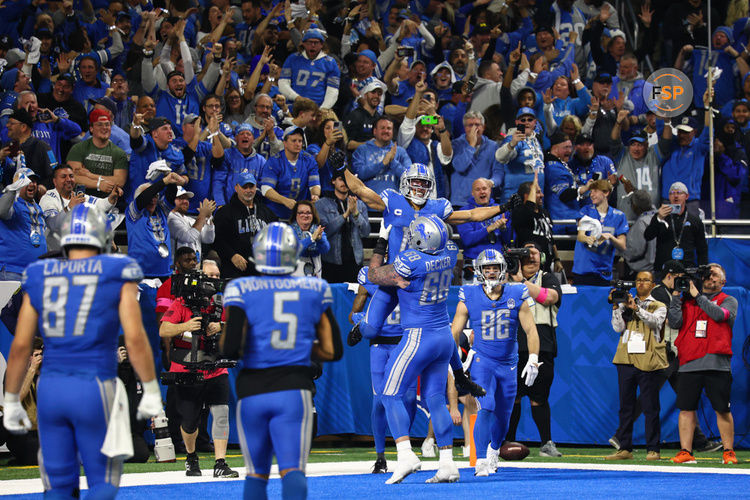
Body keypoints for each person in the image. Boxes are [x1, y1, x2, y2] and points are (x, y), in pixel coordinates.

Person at [2, 204, 163, 498]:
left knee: (59, 486)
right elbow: (136, 338)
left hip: (51, 390)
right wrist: (151, 389)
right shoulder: (116, 269)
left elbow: (21, 346)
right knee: (103, 482)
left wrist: (11, 400)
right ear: (102, 237)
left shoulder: (40, 273)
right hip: (94, 386)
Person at [220, 222, 343, 499]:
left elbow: (229, 349)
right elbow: (333, 350)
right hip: (292, 389)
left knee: (255, 474)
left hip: (252, 390)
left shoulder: (242, 288)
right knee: (293, 471)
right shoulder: (314, 288)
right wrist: (297, 347)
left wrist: (261, 344)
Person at [367, 215, 480, 484]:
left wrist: (382, 244)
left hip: (419, 335)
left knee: (389, 393)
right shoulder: (450, 252)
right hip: (443, 334)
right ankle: (447, 464)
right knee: (435, 399)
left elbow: (375, 274)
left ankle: (405, 454)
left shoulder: (410, 261)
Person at [609, 260, 722, 455]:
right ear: (669, 276)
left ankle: (698, 440)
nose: (681, 283)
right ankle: (623, 437)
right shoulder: (660, 293)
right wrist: (618, 307)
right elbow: (672, 321)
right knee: (656, 399)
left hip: (666, 352)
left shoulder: (667, 294)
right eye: (678, 279)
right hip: (660, 353)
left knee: (674, 397)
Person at [451, 249, 541, 476]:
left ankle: (493, 450)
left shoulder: (516, 291)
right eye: (486, 268)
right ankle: (480, 459)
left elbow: (531, 329)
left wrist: (533, 359)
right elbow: (454, 332)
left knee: (504, 414)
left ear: (503, 270)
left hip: (509, 363)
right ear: (479, 271)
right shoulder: (469, 294)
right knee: (486, 406)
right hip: (483, 360)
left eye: (495, 268)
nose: (491, 272)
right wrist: (452, 362)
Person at [159, 259, 239, 478]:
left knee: (221, 412)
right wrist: (185, 326)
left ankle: (220, 463)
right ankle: (191, 456)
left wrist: (220, 326)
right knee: (189, 420)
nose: (215, 280)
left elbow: (238, 328)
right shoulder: (181, 303)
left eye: (217, 275)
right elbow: (163, 330)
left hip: (215, 366)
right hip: (186, 368)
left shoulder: (220, 303)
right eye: (211, 276)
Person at [667, 263, 739, 465]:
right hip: (689, 362)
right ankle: (685, 451)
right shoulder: (687, 302)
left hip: (717, 364)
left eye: (715, 274)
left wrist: (697, 296)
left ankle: (728, 451)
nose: (710, 277)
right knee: (686, 409)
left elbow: (719, 315)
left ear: (723, 281)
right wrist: (674, 296)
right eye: (708, 274)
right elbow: (674, 322)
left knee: (722, 409)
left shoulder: (729, 300)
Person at [349, 266, 416, 474]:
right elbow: (354, 313)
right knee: (379, 401)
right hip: (379, 344)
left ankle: (404, 450)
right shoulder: (371, 275)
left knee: (409, 398)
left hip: (405, 342)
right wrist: (362, 323)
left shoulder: (412, 270)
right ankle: (380, 457)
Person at [505, 243, 564, 459]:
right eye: (526, 253)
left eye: (535, 253)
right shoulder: (506, 279)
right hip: (512, 345)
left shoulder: (548, 278)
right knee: (513, 396)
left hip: (543, 346)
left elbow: (549, 298)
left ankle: (546, 443)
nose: (531, 257)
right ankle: (507, 441)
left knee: (540, 397)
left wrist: (521, 281)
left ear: (543, 257)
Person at [606, 271, 668, 461]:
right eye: (638, 280)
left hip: (647, 359)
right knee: (626, 406)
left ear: (653, 284)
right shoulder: (625, 304)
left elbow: (654, 322)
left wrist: (636, 309)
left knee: (650, 406)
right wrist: (617, 306)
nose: (641, 283)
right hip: (625, 359)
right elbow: (617, 328)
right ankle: (625, 448)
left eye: (645, 280)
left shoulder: (659, 305)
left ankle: (653, 449)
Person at [39, 164, 120, 251]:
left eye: (71, 176)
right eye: (63, 177)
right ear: (55, 181)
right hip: (55, 254)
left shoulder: (79, 196)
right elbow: (52, 224)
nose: (68, 179)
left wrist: (112, 198)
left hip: (75, 253)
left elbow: (101, 205)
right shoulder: (49, 198)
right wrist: (69, 208)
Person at [214, 170, 277, 279]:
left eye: (251, 187)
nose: (248, 190)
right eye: (244, 187)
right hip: (235, 270)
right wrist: (232, 255)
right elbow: (217, 240)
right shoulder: (225, 212)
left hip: (261, 272)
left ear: (256, 187)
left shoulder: (266, 212)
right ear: (236, 188)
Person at [316, 171, 370, 283]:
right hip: (331, 263)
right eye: (341, 179)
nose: (344, 183)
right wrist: (345, 214)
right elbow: (326, 231)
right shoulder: (321, 204)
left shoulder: (359, 205)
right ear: (333, 181)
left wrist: (355, 213)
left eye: (347, 180)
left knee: (353, 298)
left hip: (355, 261)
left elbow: (366, 232)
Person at [571, 179, 628, 285]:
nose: (591, 194)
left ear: (606, 193)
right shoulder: (586, 211)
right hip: (583, 271)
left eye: (595, 191)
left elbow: (623, 246)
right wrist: (588, 238)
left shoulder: (619, 216)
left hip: (604, 272)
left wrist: (610, 237)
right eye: (591, 191)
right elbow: (580, 236)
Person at [643, 181, 708, 273]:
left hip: (687, 270)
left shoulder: (695, 221)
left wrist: (703, 270)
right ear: (669, 197)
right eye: (672, 193)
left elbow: (702, 249)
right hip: (663, 269)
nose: (676, 196)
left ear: (687, 196)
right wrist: (658, 219)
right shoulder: (660, 216)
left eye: (679, 193)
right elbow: (648, 236)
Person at [456, 178, 511, 284]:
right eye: (478, 189)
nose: (482, 192)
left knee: (498, 299)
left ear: (490, 190)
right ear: (472, 193)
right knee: (471, 300)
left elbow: (509, 240)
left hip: (498, 264)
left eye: (485, 188)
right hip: (473, 263)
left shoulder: (501, 210)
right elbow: (467, 239)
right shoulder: (464, 212)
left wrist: (504, 230)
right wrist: (490, 228)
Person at [260, 126, 321, 219]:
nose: (298, 144)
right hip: (275, 214)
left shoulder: (309, 160)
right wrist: (284, 200)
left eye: (300, 141)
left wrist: (315, 195)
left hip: (298, 216)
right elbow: (266, 189)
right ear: (285, 143)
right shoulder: (274, 161)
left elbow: (315, 184)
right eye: (294, 141)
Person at [67, 108, 129, 198]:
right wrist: (99, 184)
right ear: (91, 129)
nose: (104, 128)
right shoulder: (78, 149)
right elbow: (73, 178)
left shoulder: (119, 153)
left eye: (107, 125)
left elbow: (119, 181)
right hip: (81, 200)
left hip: (107, 203)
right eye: (99, 125)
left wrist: (90, 175)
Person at [0, 168, 47, 280]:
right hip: (13, 271)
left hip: (36, 273)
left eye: (34, 181)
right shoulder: (12, 203)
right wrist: (12, 189)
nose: (31, 184)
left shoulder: (38, 207)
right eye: (27, 181)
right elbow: (1, 211)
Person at [511, 175, 564, 273]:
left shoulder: (544, 212)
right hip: (529, 265)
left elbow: (550, 238)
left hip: (546, 264)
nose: (542, 195)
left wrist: (557, 259)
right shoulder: (519, 212)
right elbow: (528, 208)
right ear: (527, 195)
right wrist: (534, 184)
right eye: (538, 192)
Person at [279, 28, 340, 109]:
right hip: (293, 106)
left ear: (321, 44)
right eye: (309, 42)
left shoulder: (330, 63)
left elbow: (333, 90)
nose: (313, 45)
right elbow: (283, 83)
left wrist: (323, 109)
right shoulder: (292, 59)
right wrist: (297, 98)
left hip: (317, 108)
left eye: (316, 42)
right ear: (303, 43)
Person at [495, 107, 546, 204]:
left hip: (535, 197)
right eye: (523, 120)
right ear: (517, 122)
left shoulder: (536, 140)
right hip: (516, 197)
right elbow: (500, 157)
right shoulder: (514, 139)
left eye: (530, 120)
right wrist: (512, 144)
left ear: (535, 122)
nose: (526, 122)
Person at [450, 111, 501, 207]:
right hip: (460, 202)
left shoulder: (493, 146)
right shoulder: (456, 144)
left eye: (477, 124)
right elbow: (460, 167)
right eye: (470, 125)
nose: (474, 128)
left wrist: (491, 182)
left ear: (483, 127)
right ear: (465, 128)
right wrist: (471, 145)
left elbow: (498, 172)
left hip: (484, 201)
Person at [351, 116, 411, 195]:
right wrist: (382, 163)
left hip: (394, 203)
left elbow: (409, 178)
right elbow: (359, 174)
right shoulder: (362, 150)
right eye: (382, 128)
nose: (386, 131)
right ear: (375, 131)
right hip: (367, 202)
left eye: (389, 128)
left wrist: (392, 162)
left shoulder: (400, 151)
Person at [167, 186, 216, 260]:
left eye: (187, 199)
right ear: (172, 200)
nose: (185, 201)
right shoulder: (171, 219)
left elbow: (208, 239)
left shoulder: (190, 220)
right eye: (181, 198)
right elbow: (189, 237)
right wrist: (202, 215)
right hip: (179, 267)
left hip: (195, 264)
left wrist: (208, 218)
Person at [289, 200, 330, 279]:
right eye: (301, 212)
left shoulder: (317, 230)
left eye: (308, 213)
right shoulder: (288, 231)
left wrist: (319, 240)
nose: (305, 215)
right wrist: (311, 239)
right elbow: (294, 250)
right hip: (294, 277)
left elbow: (325, 249)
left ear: (313, 215)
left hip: (315, 276)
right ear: (295, 215)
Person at [621, 190, 656, 279]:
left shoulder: (642, 223)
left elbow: (635, 251)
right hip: (657, 270)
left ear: (635, 206)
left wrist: (622, 251)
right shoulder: (659, 217)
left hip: (642, 273)